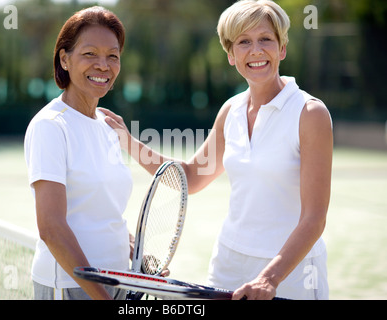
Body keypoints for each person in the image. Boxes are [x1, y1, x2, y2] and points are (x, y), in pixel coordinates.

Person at [101, 0, 333, 300]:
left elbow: (314, 218)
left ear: (282, 48)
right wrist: (128, 141)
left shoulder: (310, 113)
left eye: (266, 39)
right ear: (231, 55)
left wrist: (268, 279)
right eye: (244, 42)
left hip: (293, 274)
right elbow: (192, 177)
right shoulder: (231, 110)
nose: (256, 50)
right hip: (228, 265)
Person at [24, 7, 133, 300]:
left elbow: (100, 209)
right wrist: (101, 296)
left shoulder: (108, 127)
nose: (103, 65)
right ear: (64, 59)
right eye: (90, 54)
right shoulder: (50, 126)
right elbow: (51, 227)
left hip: (119, 282)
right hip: (73, 288)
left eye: (113, 56)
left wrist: (127, 245)